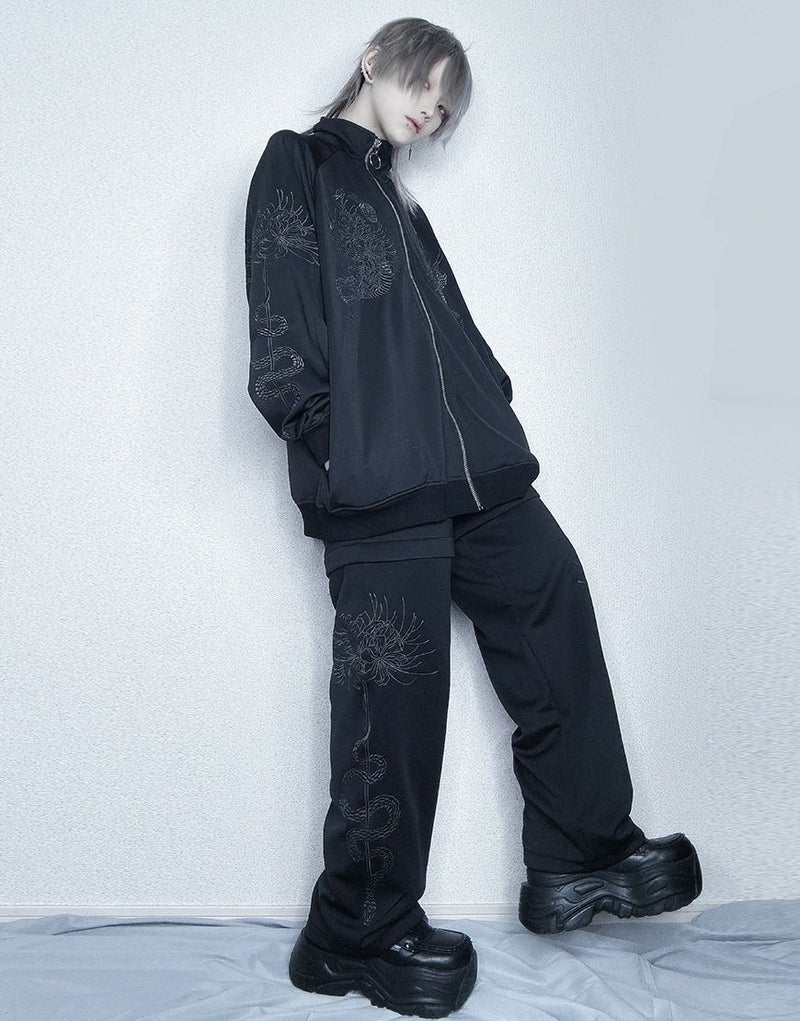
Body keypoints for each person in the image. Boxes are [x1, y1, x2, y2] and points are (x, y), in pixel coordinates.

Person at [244, 17, 701, 1019]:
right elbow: (280, 323)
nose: (432, 108)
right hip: (377, 485)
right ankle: (355, 929)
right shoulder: (301, 164)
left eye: (447, 104)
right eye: (424, 83)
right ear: (375, 60)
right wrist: (331, 444)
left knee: (550, 599)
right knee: (397, 700)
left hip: (476, 469)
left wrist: (491, 394)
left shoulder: (397, 198)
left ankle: (578, 854)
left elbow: (441, 334)